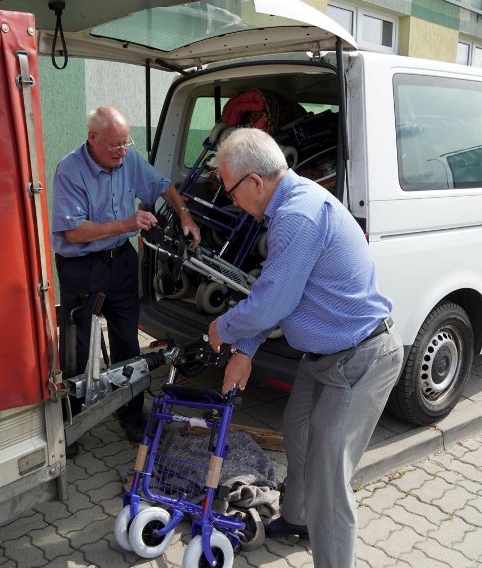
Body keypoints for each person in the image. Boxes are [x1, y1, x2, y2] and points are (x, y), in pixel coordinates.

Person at [206, 128, 404, 568]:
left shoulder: (298, 215)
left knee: (328, 476)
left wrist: (223, 328)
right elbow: (277, 291)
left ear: (254, 182)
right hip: (325, 359)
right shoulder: (291, 206)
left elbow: (271, 303)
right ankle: (297, 518)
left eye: (231, 192)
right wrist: (245, 352)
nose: (232, 202)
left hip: (360, 360)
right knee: (297, 429)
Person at [52, 106, 200, 443]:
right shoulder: (71, 170)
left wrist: (185, 214)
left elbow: (163, 185)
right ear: (93, 138)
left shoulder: (128, 160)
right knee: (77, 347)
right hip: (82, 267)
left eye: (125, 143)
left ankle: (131, 415)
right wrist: (128, 224)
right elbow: (73, 232)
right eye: (115, 145)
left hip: (120, 262)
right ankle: (72, 425)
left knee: (127, 343)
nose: (122, 151)